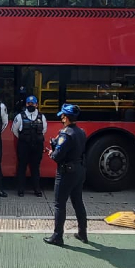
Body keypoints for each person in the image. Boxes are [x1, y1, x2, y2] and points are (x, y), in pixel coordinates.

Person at [43, 104, 88, 245]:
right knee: (78, 202)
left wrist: (51, 151)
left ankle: (57, 236)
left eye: (62, 116)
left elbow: (56, 156)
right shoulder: (81, 132)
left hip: (66, 172)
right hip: (79, 170)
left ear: (66, 117)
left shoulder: (66, 134)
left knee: (59, 204)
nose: (61, 118)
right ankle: (82, 233)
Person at [12, 95, 48, 197]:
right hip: (24, 145)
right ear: (26, 104)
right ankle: (21, 189)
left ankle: (37, 189)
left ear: (37, 104)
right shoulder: (20, 116)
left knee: (35, 168)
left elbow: (44, 130)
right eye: (29, 103)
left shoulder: (42, 117)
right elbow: (15, 130)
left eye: (33, 103)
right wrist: (25, 138)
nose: (31, 105)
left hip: (37, 146)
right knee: (22, 167)